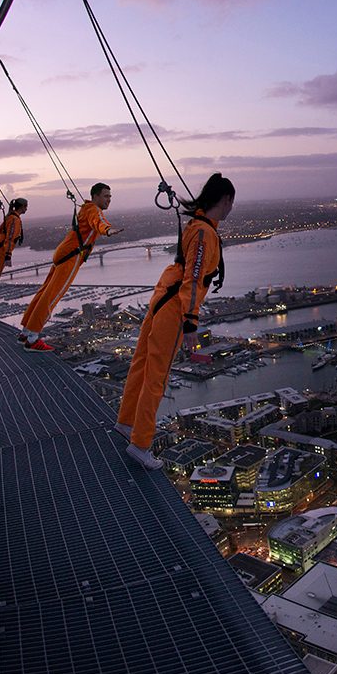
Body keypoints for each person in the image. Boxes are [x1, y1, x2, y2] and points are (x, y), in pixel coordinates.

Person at [116, 173, 234, 469]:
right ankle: (141, 443)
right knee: (158, 375)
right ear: (226, 200)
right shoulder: (205, 233)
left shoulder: (198, 224)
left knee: (141, 364)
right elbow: (194, 280)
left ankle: (127, 423)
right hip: (174, 308)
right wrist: (191, 322)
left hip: (162, 297)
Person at [19, 183, 121, 352]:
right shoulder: (94, 210)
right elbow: (99, 222)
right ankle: (32, 339)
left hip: (63, 252)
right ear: (95, 196)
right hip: (72, 256)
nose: (109, 200)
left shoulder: (86, 208)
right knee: (52, 296)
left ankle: (26, 331)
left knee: (44, 292)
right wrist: (108, 230)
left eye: (110, 196)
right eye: (105, 196)